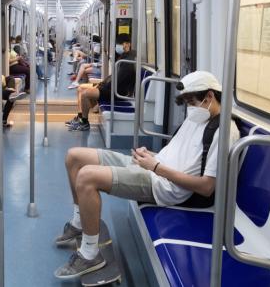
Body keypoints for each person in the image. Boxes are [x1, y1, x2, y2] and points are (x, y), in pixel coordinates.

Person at [54, 71, 240, 279]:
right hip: (152, 168)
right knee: (74, 157)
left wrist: (156, 167)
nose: (189, 107)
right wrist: (150, 156)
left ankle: (90, 254)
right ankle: (80, 222)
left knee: (87, 176)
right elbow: (177, 156)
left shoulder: (224, 132)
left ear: (210, 96)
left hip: (165, 187)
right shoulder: (197, 117)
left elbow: (206, 187)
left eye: (192, 101)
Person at [66, 35, 137, 131]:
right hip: (111, 87)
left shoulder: (128, 61)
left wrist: (101, 86)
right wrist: (102, 84)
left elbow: (119, 81)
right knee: (80, 88)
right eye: (118, 44)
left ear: (128, 44)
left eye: (121, 44)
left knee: (85, 94)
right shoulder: (123, 57)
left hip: (117, 92)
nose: (118, 47)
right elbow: (114, 77)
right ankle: (80, 117)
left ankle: (84, 122)